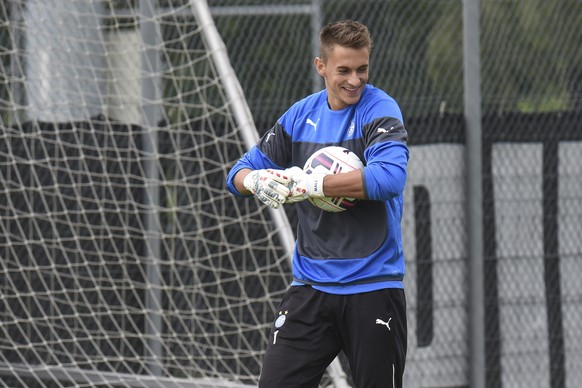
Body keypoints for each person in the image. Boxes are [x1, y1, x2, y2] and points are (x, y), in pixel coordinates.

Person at [226, 19, 409, 388]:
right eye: (344, 70)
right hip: (310, 288)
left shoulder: (379, 111)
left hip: (372, 288)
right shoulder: (300, 115)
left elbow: (389, 179)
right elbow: (237, 175)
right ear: (321, 66)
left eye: (362, 69)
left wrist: (312, 183)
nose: (355, 80)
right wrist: (258, 180)